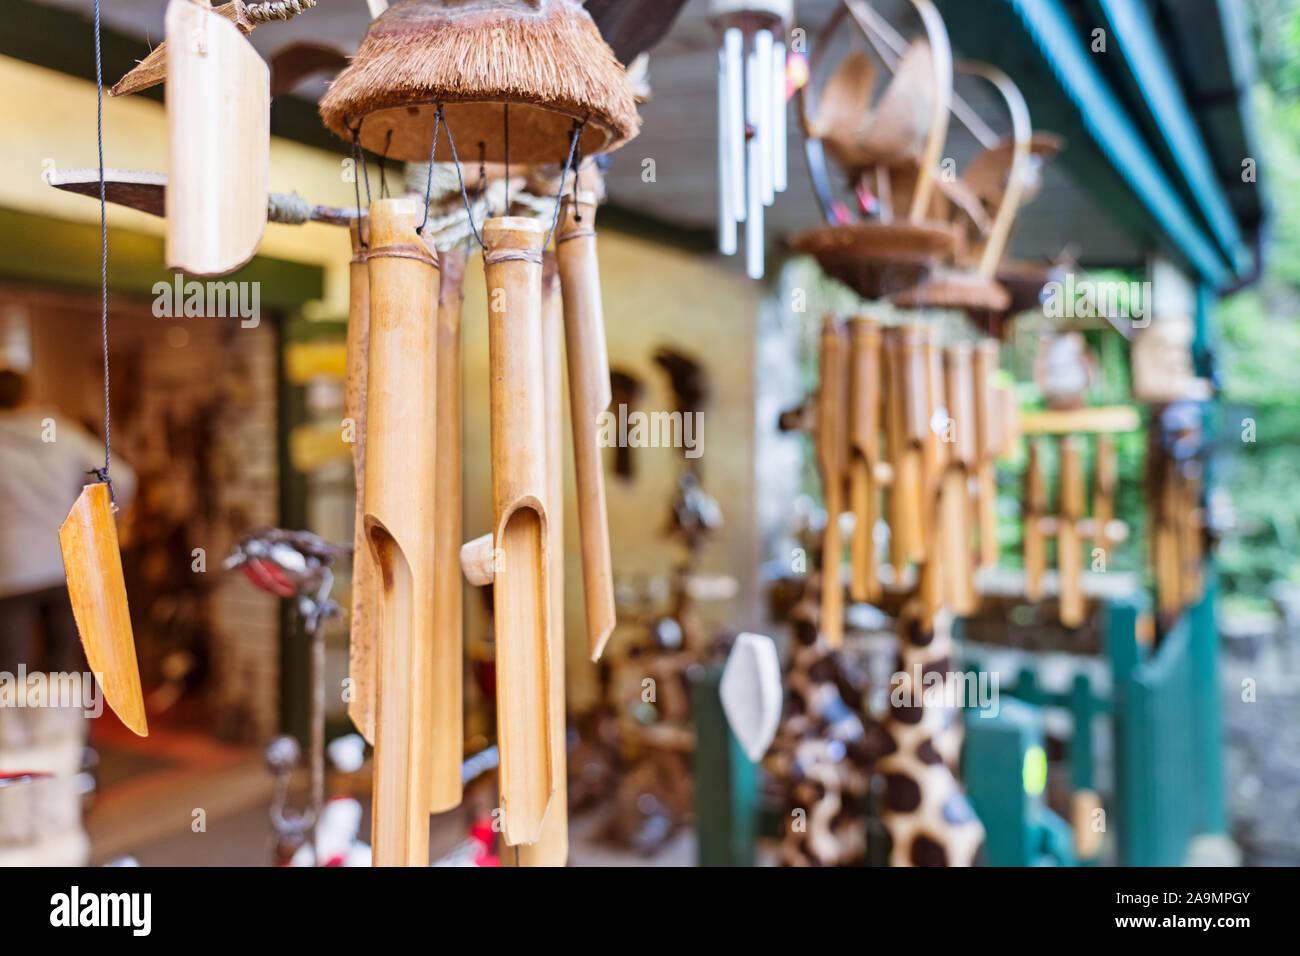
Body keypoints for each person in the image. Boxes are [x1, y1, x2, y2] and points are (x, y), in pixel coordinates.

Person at [0, 368, 135, 672]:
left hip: (9, 568)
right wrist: (107, 523)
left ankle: (13, 720)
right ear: (27, 395)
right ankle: (67, 720)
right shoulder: (61, 433)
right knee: (65, 665)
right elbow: (122, 479)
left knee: (10, 669)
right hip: (66, 563)